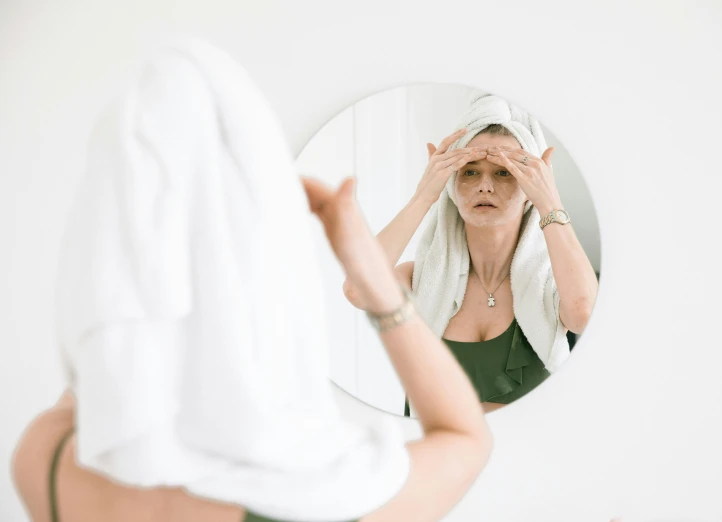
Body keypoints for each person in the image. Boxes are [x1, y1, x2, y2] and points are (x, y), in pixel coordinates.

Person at [10, 40, 492, 522]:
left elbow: (114, 323)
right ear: (272, 263)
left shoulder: (47, 458)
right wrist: (375, 281)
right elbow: (465, 438)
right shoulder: (332, 491)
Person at [342, 94, 599, 416]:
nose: (485, 186)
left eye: (504, 173)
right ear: (451, 184)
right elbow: (357, 289)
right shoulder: (420, 281)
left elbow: (582, 313)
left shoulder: (551, 284)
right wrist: (424, 196)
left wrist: (550, 203)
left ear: (532, 185)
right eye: (469, 172)